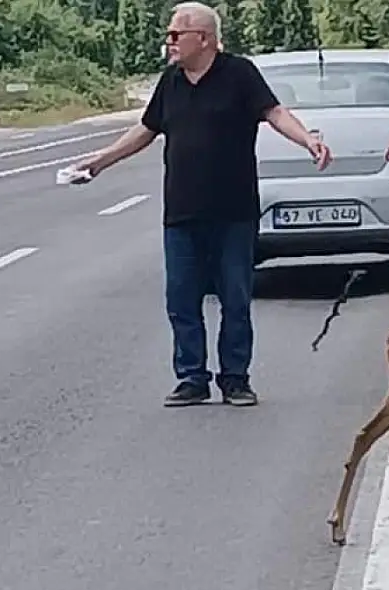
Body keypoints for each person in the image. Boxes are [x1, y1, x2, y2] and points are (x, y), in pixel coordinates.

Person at [70, 1, 332, 408]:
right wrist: (101, 161)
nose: (169, 42)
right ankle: (191, 377)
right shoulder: (170, 81)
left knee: (235, 299)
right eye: (169, 34)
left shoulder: (239, 74)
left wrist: (308, 139)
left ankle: (235, 379)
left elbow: (274, 112)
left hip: (233, 211)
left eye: (176, 34)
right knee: (181, 299)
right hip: (182, 212)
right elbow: (146, 129)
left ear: (204, 38)